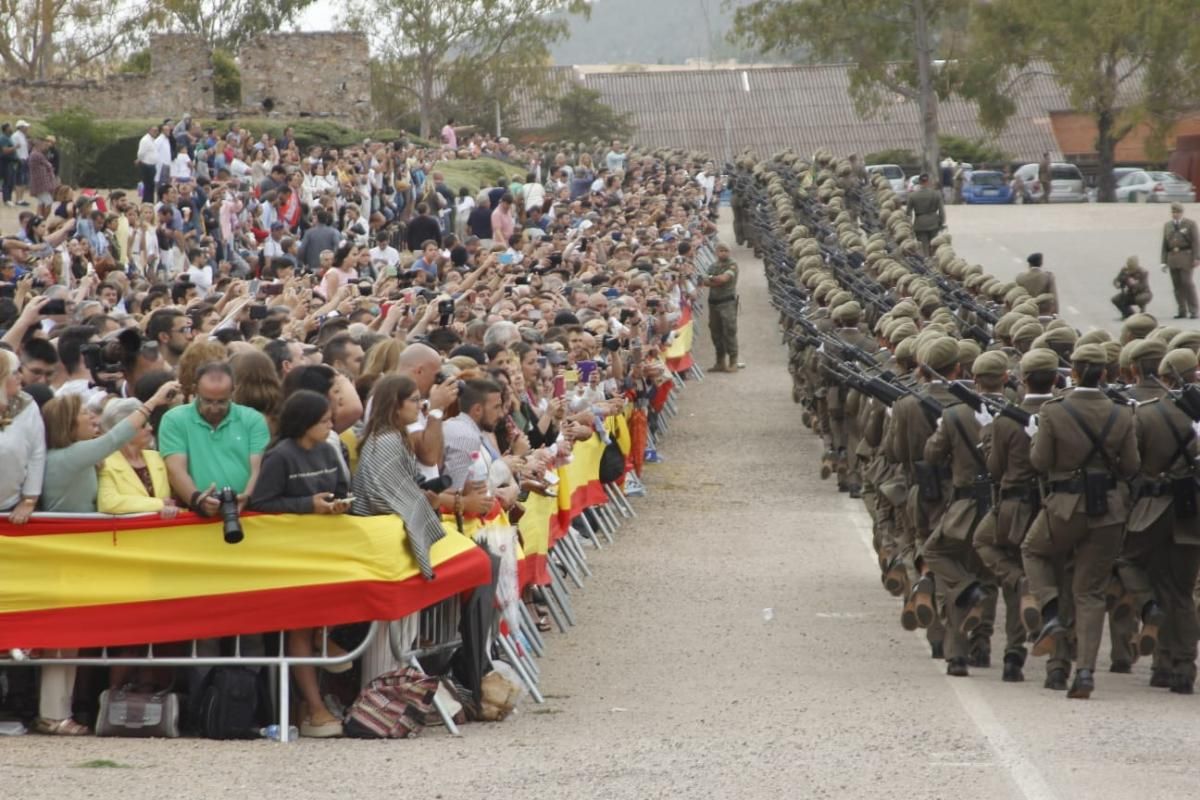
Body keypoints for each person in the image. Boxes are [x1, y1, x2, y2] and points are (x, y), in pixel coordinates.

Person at [1022, 343, 1139, 699]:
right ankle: (1085, 672)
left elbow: (1040, 462)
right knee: (1090, 592)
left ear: (1072, 372)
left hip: (1064, 507)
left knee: (1033, 550)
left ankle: (1053, 610)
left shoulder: (1054, 410)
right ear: (1104, 373)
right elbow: (1132, 466)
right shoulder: (1122, 414)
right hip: (1108, 510)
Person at [249, 389, 349, 738]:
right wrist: (307, 504)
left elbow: (340, 487)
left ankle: (317, 694)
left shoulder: (327, 450)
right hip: (291, 556)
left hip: (325, 552)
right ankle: (314, 707)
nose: (331, 425)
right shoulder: (280, 457)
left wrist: (337, 504)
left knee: (317, 624)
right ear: (305, 423)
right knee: (298, 630)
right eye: (324, 421)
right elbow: (262, 503)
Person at [352, 375, 489, 579]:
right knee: (477, 563)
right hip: (385, 541)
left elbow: (407, 486)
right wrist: (426, 500)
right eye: (414, 400)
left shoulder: (394, 435)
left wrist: (431, 495)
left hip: (392, 537)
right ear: (395, 405)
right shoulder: (388, 440)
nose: (420, 405)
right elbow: (386, 497)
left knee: (478, 560)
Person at [158, 361, 269, 516]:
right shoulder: (174, 420)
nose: (215, 408)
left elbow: (257, 468)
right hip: (195, 515)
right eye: (208, 401)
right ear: (195, 390)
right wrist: (198, 500)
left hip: (246, 513)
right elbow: (176, 471)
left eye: (222, 401)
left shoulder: (253, 419)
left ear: (233, 391)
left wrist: (246, 497)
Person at [96, 398, 178, 517]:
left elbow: (177, 495)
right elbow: (108, 503)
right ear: (123, 430)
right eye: (143, 424)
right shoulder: (105, 462)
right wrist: (159, 504)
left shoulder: (157, 457)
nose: (150, 428)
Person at [0, 349, 44, 525]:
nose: (20, 376)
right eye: (13, 372)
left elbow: (37, 453)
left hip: (12, 506)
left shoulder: (28, 405)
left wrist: (29, 500)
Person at [703, 242, 739, 373]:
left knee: (729, 331)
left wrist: (712, 279)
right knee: (715, 332)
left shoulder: (732, 265)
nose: (723, 253)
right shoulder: (713, 266)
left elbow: (724, 279)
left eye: (726, 250)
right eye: (721, 250)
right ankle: (720, 361)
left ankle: (733, 361)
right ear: (716, 252)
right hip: (713, 303)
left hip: (727, 302)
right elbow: (704, 281)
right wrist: (714, 280)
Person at [1160, 202, 1199, 319]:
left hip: (1186, 256)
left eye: (1177, 212)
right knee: (1177, 285)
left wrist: (1197, 257)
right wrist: (1163, 261)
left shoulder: (1190, 224)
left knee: (1187, 283)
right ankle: (1181, 310)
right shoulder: (1168, 225)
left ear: (1182, 213)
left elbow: (1196, 242)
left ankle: (1194, 310)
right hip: (1172, 257)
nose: (1175, 214)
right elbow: (1165, 245)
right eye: (1173, 212)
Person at [906, 173, 944, 255]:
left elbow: (908, 214)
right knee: (934, 246)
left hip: (920, 224)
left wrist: (909, 226)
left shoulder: (912, 196)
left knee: (923, 248)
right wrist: (941, 222)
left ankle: (926, 262)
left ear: (919, 182)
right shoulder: (936, 194)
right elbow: (941, 211)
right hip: (934, 223)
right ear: (928, 181)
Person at [1111, 255, 1152, 319]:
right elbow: (1116, 280)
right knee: (1116, 299)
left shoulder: (1143, 272)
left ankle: (1142, 312)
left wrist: (1134, 284)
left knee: (1139, 299)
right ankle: (1129, 314)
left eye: (1132, 269)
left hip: (1143, 293)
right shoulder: (1124, 270)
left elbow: (1143, 286)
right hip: (1130, 293)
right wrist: (1117, 284)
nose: (1130, 271)